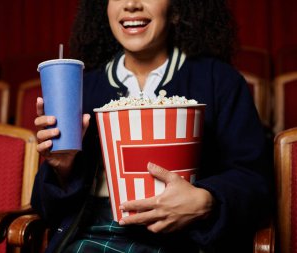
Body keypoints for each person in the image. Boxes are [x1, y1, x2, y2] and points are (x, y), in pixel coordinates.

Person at [31, 0, 273, 252]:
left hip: (189, 239)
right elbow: (45, 210)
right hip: (93, 234)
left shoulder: (219, 81)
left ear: (177, 10)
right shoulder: (80, 89)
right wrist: (63, 168)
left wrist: (206, 200)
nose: (131, 4)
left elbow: (256, 183)